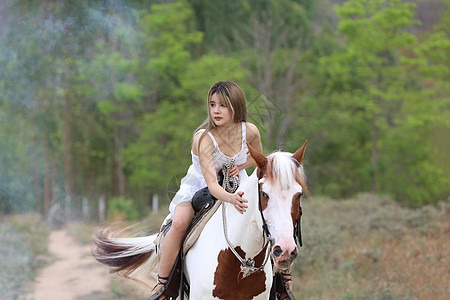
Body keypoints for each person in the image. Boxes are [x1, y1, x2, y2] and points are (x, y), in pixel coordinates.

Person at [149, 81, 263, 299]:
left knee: (269, 216)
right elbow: (211, 185)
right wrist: (230, 198)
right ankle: (163, 285)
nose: (216, 110)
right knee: (181, 221)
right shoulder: (204, 138)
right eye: (212, 104)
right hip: (199, 187)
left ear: (236, 107)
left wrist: (238, 166)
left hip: (237, 184)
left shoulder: (250, 131)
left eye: (223, 105)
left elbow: (258, 159)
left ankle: (282, 282)